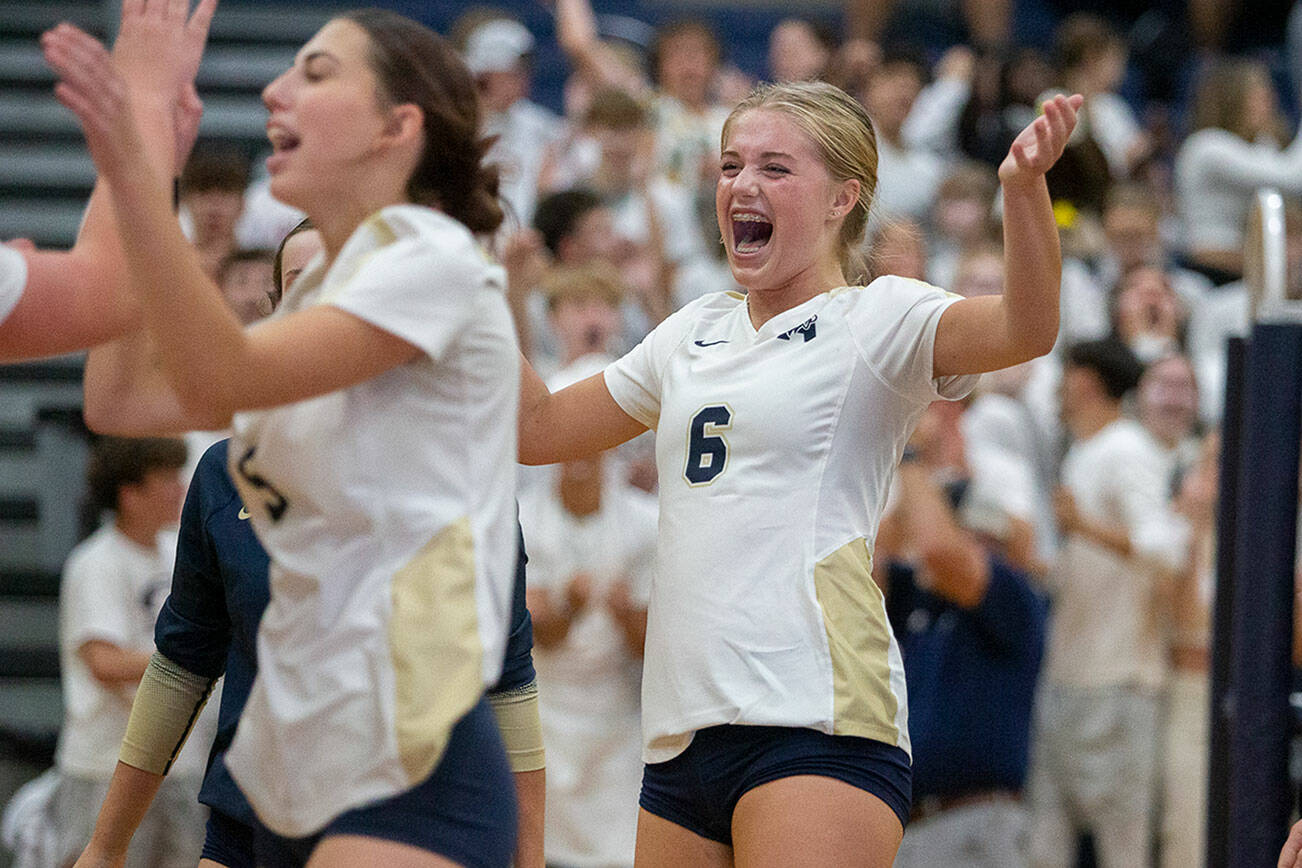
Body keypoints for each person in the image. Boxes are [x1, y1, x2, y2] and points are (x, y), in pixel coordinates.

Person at [517, 78, 1081, 866]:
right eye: (730, 165)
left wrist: (1023, 193)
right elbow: (534, 427)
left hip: (816, 717)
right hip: (681, 730)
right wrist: (472, 274)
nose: (743, 184)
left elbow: (1027, 326)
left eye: (776, 169)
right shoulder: (692, 330)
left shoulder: (877, 316)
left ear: (843, 197)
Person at [44, 4, 521, 866]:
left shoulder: (432, 254)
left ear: (397, 126)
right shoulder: (315, 296)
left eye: (316, 72)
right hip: (284, 765)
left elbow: (215, 378)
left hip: (403, 751)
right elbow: (119, 397)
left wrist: (138, 145)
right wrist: (143, 157)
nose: (274, 89)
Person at [74, 225, 547, 868]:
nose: (328, 303)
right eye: (305, 284)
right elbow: (181, 663)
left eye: (347, 282)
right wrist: (105, 846)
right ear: (275, 310)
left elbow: (511, 682)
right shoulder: (227, 469)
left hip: (409, 810)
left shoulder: (451, 467)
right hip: (256, 812)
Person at [1027, 338, 1188, 868]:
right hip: (1069, 675)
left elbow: (1165, 549)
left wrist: (1084, 528)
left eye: (1066, 374)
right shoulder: (1083, 452)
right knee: (1047, 846)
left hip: (1119, 681)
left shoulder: (1128, 449)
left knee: (1123, 850)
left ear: (1087, 382)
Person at [876, 403, 1047, 868]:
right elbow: (861, 565)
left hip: (973, 825)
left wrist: (909, 454)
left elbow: (941, 551)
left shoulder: (1015, 597)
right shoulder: (919, 601)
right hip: (909, 825)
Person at [53, 435, 212, 868]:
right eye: (166, 479)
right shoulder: (96, 562)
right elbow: (103, 662)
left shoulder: (176, 552)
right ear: (129, 493)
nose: (181, 488)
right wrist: (196, 653)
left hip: (180, 763)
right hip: (105, 765)